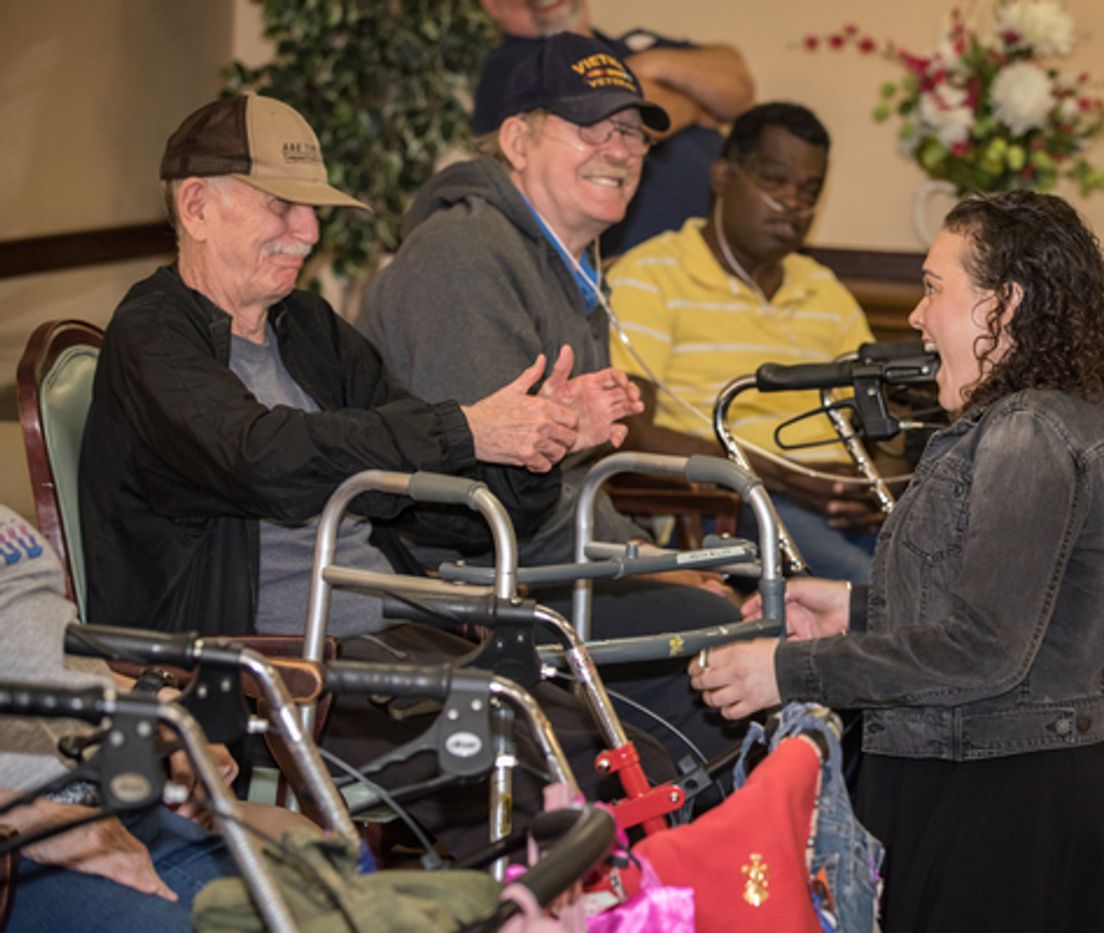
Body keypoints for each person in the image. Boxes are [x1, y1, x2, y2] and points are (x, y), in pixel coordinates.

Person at [76, 93, 646, 856]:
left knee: (631, 765)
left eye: (311, 210)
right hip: (262, 675)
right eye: (282, 206)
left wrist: (540, 445)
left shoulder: (307, 329)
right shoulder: (152, 336)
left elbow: (435, 511)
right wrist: (465, 427)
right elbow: (263, 459)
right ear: (197, 205)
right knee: (559, 797)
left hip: (394, 643)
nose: (308, 233)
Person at [689, 191, 1104, 930]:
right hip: (1016, 789)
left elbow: (983, 651)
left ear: (1002, 305)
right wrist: (852, 606)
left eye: (934, 288)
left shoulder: (1027, 434)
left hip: (1003, 814)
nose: (916, 315)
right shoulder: (1061, 413)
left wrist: (784, 670)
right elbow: (1017, 614)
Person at [361, 32, 743, 763]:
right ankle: (666, 867)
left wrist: (643, 552)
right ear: (517, 140)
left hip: (550, 566)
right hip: (470, 589)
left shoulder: (565, 264)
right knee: (730, 654)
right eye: (588, 127)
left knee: (756, 625)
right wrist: (642, 566)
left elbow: (574, 481)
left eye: (631, 131)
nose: (620, 149)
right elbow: (482, 501)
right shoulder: (462, 258)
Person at [606, 102, 883, 584]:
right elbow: (628, 430)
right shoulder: (651, 277)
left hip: (838, 509)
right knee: (868, 590)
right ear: (721, 176)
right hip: (726, 508)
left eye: (809, 191)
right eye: (774, 182)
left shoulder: (827, 293)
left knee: (950, 580)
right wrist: (771, 475)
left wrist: (869, 487)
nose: (792, 204)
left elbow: (881, 420)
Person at [0, 505, 239, 931]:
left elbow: (46, 657)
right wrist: (28, 818)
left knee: (326, 912)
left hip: (107, 807)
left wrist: (159, 709)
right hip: (25, 851)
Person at [475, 0, 754, 256]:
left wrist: (648, 63)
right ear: (492, 5)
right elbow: (630, 117)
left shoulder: (632, 45)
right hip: (638, 265)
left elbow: (737, 87)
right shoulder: (515, 67)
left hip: (728, 255)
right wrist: (696, 106)